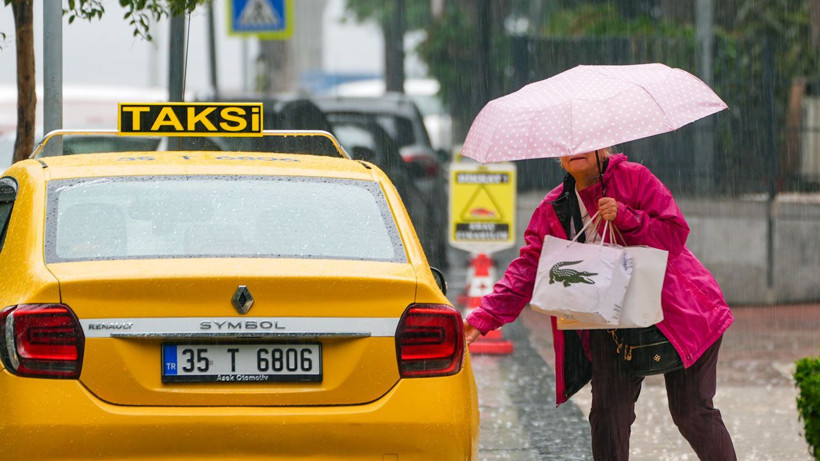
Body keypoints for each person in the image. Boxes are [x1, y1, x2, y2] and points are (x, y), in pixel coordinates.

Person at [464, 148, 736, 460]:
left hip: (683, 314)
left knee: (692, 413)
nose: (574, 150)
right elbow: (529, 268)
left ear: (603, 147)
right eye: (566, 147)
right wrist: (483, 317)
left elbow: (675, 235)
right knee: (608, 418)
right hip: (610, 322)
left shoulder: (634, 178)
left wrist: (627, 217)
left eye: (585, 143)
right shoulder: (555, 206)